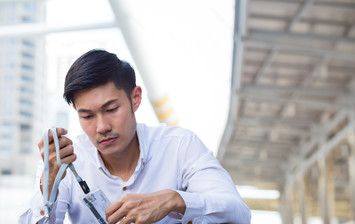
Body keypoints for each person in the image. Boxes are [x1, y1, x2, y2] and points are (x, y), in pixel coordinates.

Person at [19, 49, 251, 224]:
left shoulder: (180, 145)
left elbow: (238, 213)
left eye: (111, 110)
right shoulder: (63, 163)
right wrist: (49, 185)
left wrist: (175, 200)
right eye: (87, 116)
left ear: (135, 98)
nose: (101, 127)